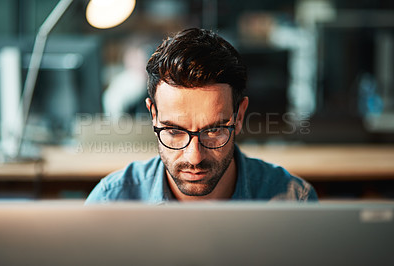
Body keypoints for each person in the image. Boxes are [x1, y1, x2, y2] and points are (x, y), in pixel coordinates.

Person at [86, 28, 318, 203]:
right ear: (153, 115)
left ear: (239, 117)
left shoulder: (293, 200)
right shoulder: (112, 200)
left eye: (214, 130)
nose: (194, 157)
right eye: (174, 131)